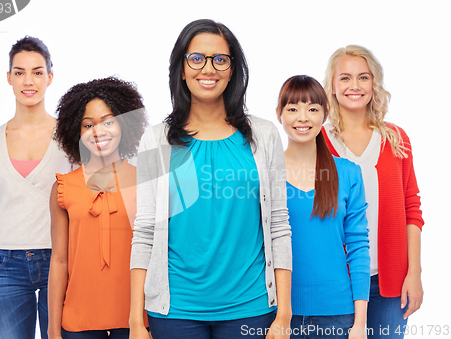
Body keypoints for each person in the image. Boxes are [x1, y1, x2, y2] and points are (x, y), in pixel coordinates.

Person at [129, 19, 292, 339]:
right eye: (197, 58)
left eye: (220, 59)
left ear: (233, 69)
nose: (209, 68)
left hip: (251, 307)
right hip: (175, 311)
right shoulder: (156, 140)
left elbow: (278, 224)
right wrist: (136, 320)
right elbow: (145, 231)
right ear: (181, 68)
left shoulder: (264, 136)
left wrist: (283, 313)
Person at [0, 36, 71, 339]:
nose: (29, 81)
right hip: (6, 265)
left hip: (61, 258)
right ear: (9, 78)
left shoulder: (70, 136)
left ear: (50, 77)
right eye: (20, 72)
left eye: (37, 72)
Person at [322, 45, 424, 339]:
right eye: (345, 78)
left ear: (374, 84)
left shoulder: (395, 139)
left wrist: (414, 274)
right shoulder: (317, 140)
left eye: (363, 77)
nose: (354, 85)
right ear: (332, 86)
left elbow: (412, 209)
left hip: (388, 282)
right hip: (335, 281)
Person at [48, 76, 148, 339]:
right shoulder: (63, 187)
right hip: (77, 321)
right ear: (76, 131)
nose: (98, 131)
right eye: (87, 124)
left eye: (108, 121)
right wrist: (52, 329)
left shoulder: (145, 181)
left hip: (135, 319)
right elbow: (58, 261)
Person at [276, 75, 370, 339]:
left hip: (338, 315)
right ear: (279, 114)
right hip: (279, 313)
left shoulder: (349, 173)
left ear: (325, 114)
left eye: (312, 109)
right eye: (292, 109)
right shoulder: (267, 174)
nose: (302, 117)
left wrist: (360, 323)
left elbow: (358, 246)